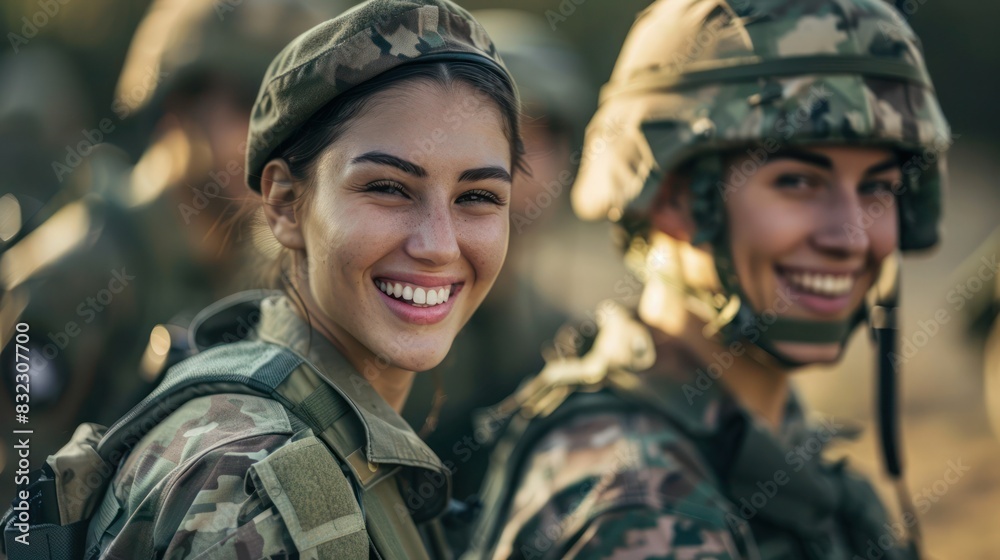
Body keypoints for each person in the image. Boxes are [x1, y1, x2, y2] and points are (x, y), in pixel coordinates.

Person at [4, 0, 524, 558]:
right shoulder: (262, 490)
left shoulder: (267, 318)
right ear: (282, 202)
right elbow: (21, 475)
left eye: (478, 197)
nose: (439, 244)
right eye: (388, 187)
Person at [468, 0, 950, 558]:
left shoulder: (765, 449)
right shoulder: (644, 509)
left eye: (878, 188)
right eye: (798, 182)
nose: (851, 235)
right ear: (673, 197)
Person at [0, 0, 349, 503]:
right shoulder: (77, 275)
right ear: (176, 104)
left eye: (299, 117)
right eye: (251, 106)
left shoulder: (252, 268)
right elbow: (18, 506)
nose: (277, 140)